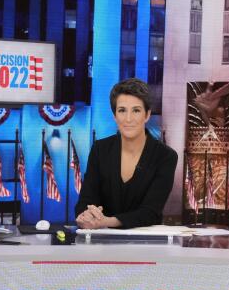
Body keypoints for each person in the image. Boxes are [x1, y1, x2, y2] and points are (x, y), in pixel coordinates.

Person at [75, 78, 178, 229]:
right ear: (114, 115)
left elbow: (150, 212)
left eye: (136, 110)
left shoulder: (165, 156)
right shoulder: (100, 149)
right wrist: (86, 216)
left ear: (147, 115)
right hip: (102, 244)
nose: (128, 119)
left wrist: (107, 222)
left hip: (145, 244)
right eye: (122, 110)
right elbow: (85, 202)